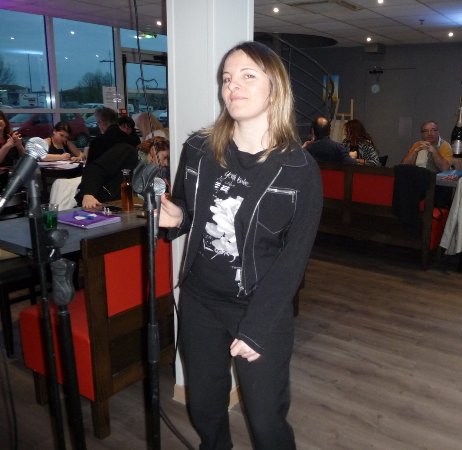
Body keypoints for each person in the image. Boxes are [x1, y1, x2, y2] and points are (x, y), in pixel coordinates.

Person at [159, 41, 322, 449]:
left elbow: (294, 259)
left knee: (266, 422)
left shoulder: (300, 169)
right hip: (199, 299)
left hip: (260, 305)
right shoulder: (199, 149)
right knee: (204, 407)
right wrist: (175, 219)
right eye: (227, 78)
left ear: (275, 88)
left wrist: (257, 328)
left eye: (248, 76)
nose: (233, 86)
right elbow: (187, 211)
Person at [75, 142, 138, 209]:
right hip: (99, 202)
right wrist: (88, 194)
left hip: (123, 206)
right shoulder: (127, 151)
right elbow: (94, 169)